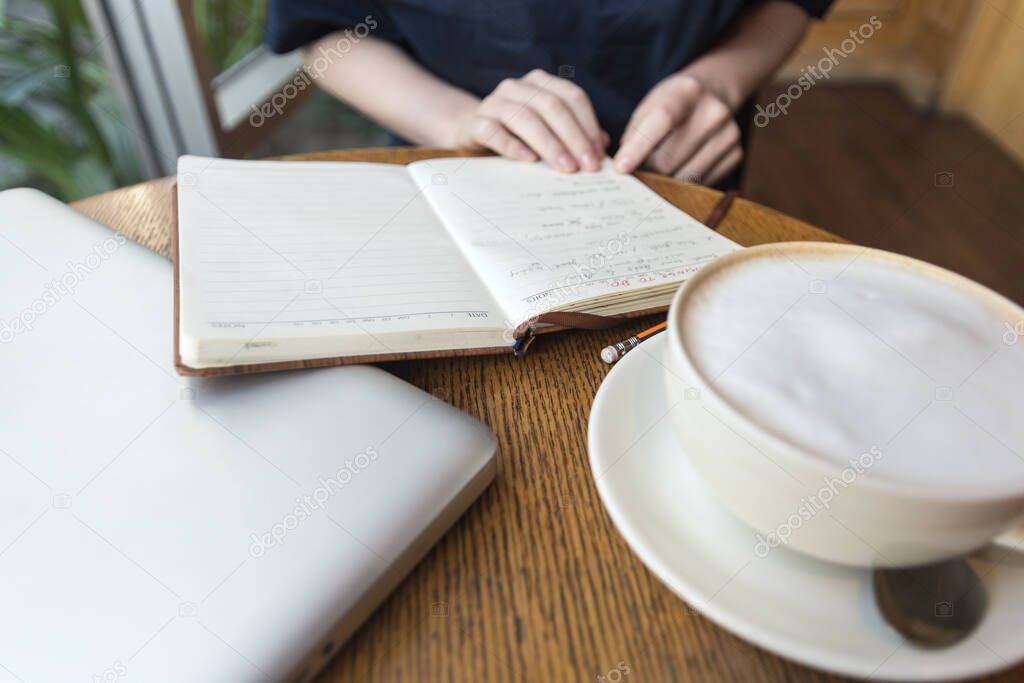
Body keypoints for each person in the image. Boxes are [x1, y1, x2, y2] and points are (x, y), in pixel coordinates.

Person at [266, 1, 833, 188]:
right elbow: (321, 26)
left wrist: (720, 80)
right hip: (459, 171)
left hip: (685, 176)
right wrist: (456, 121)